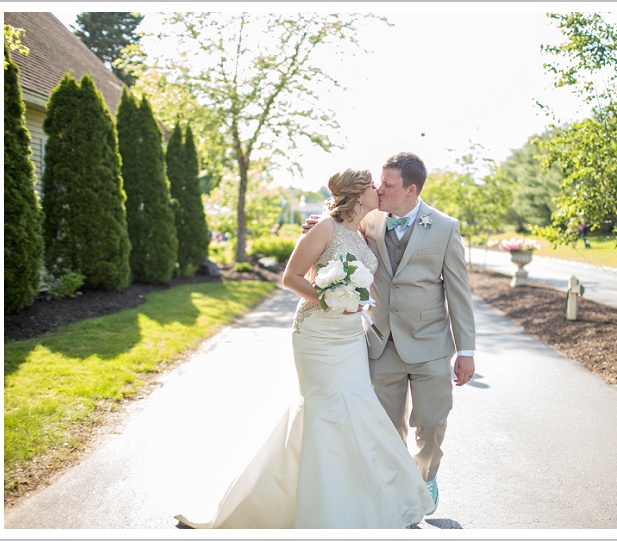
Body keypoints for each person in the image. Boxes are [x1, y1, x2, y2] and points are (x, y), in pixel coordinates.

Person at [174, 168, 433, 529]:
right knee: (324, 412)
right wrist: (331, 298)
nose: (379, 190)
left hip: (349, 337)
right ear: (359, 195)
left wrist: (348, 303)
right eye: (374, 185)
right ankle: (304, 510)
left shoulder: (364, 229)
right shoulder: (324, 227)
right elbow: (290, 277)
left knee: (358, 411)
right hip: (317, 333)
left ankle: (362, 503)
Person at [303, 152, 476, 515]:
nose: (379, 189)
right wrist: (316, 227)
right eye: (379, 182)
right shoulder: (371, 221)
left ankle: (425, 475)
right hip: (380, 341)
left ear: (411, 190)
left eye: (388, 184)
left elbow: (459, 292)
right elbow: (339, 232)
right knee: (383, 425)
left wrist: (467, 351)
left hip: (430, 344)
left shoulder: (444, 227)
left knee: (430, 423)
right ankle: (395, 489)